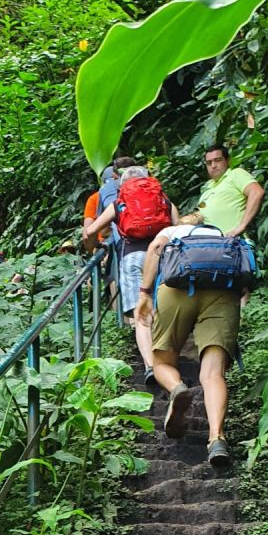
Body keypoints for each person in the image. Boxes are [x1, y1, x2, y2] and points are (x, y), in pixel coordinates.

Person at [135, 213, 249, 469]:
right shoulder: (223, 237)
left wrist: (144, 293)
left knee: (162, 360)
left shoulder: (173, 232)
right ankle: (217, 438)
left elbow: (155, 248)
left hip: (177, 288)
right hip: (223, 290)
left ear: (183, 224)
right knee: (212, 373)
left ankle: (176, 387)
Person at [83, 163, 178, 385]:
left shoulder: (119, 203)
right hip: (163, 257)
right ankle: (168, 363)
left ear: (123, 184)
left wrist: (90, 246)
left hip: (133, 258)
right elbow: (179, 230)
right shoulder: (164, 201)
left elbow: (91, 230)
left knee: (141, 316)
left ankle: (150, 366)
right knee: (165, 310)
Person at [197, 144, 264, 235]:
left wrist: (242, 226)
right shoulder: (207, 187)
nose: (213, 166)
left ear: (228, 161)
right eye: (209, 163)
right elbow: (200, 214)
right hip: (210, 245)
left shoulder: (235, 174)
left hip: (233, 242)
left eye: (217, 160)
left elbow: (256, 192)